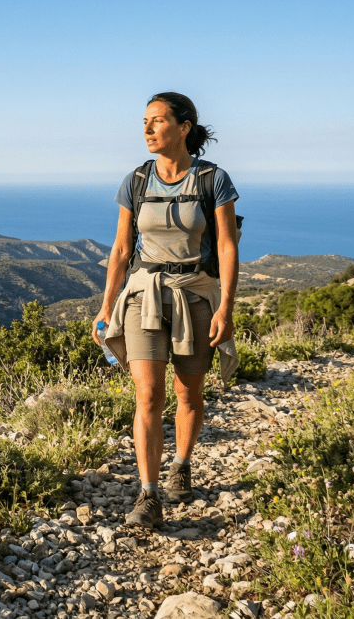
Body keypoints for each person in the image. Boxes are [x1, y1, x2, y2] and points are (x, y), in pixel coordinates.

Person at [92, 92, 239, 528]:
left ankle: (181, 464)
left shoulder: (213, 178)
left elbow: (228, 245)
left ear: (184, 127)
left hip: (195, 292)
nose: (148, 129)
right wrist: (106, 306)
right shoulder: (136, 181)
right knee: (148, 394)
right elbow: (121, 248)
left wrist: (225, 306)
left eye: (158, 121)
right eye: (144, 122)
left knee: (187, 393)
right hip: (144, 293)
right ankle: (148, 492)